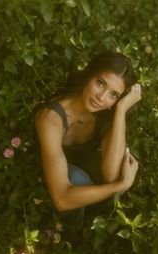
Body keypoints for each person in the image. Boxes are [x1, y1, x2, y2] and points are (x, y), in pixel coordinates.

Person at [35, 51, 141, 234]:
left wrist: (121, 110)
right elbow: (61, 198)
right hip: (51, 177)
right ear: (88, 75)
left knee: (122, 169)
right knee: (79, 179)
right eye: (100, 83)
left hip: (81, 171)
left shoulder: (107, 113)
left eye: (114, 95)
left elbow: (111, 175)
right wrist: (120, 186)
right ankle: (71, 231)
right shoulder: (51, 118)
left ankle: (95, 224)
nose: (101, 98)